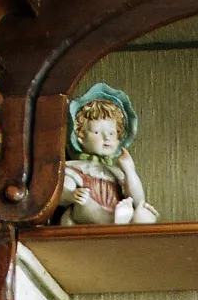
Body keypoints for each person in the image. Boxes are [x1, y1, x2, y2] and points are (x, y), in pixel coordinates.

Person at [59, 84, 159, 226]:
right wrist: (71, 194)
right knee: (85, 203)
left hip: (116, 211)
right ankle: (115, 222)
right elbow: (60, 191)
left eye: (112, 133)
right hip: (86, 216)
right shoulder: (74, 167)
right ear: (80, 136)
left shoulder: (115, 171)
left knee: (143, 211)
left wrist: (129, 170)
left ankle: (136, 220)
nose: (107, 138)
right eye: (97, 132)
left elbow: (137, 199)